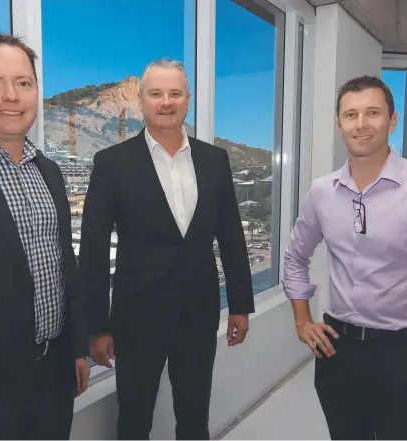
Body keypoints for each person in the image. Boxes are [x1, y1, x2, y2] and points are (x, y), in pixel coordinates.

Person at [79, 58, 255, 440]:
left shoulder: (215, 160)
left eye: (175, 93)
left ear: (187, 100)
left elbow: (230, 235)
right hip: (135, 318)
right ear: (140, 101)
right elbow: (91, 253)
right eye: (156, 94)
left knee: (194, 418)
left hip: (199, 313)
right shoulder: (111, 164)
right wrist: (95, 327)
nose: (166, 102)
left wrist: (240, 303)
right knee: (134, 418)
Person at [0, 33, 90, 439]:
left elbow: (66, 264)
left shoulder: (49, 171)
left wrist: (76, 348)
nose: (11, 95)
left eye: (23, 83)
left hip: (53, 375)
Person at [283, 75, 407, 440]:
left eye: (372, 112)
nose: (361, 124)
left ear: (392, 120)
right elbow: (295, 257)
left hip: (403, 350)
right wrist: (302, 321)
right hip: (337, 349)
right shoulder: (323, 192)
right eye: (351, 114)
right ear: (339, 125)